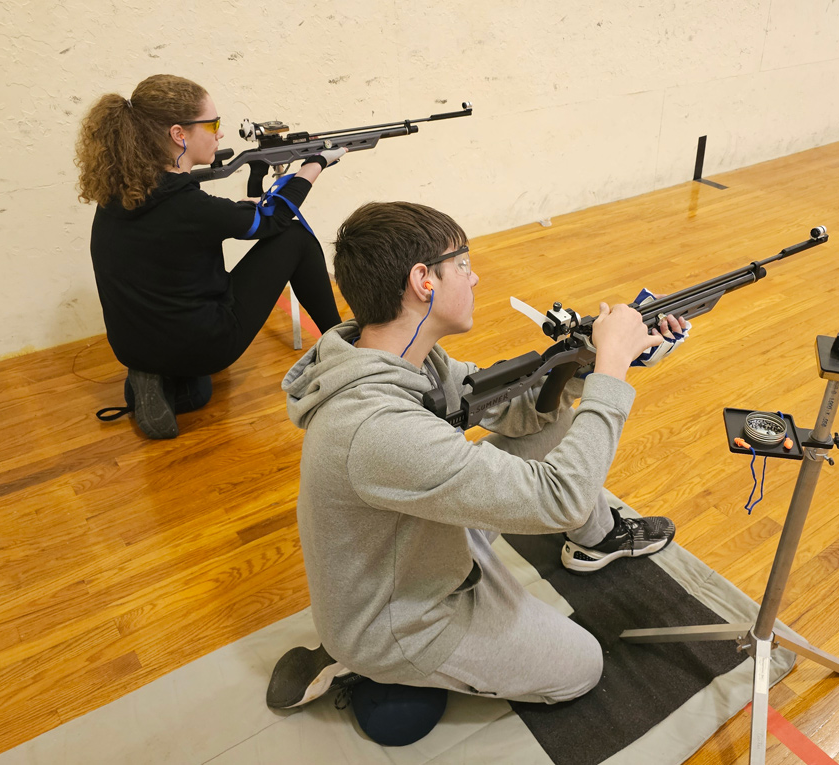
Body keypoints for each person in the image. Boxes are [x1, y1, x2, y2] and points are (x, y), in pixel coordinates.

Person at [266, 202, 689, 740]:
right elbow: (560, 498)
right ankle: (368, 659)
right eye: (462, 264)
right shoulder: (374, 427)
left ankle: (599, 541)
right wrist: (611, 374)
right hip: (400, 617)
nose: (476, 275)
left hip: (412, 548)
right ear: (423, 280)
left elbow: (521, 408)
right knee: (584, 667)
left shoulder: (397, 357)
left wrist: (593, 358)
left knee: (550, 424)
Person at [75, 74, 344, 438]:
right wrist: (315, 164)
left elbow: (187, 217)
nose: (219, 134)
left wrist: (240, 207)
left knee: (200, 392)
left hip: (133, 343)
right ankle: (345, 351)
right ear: (178, 134)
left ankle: (147, 375)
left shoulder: (121, 191)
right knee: (295, 237)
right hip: (203, 342)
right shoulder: (190, 206)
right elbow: (276, 219)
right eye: (213, 124)